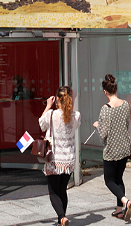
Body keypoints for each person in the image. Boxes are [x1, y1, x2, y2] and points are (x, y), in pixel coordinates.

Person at [93, 74, 131, 221]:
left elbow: (103, 134)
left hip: (111, 150)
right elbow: (126, 125)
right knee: (119, 178)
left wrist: (97, 125)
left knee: (109, 180)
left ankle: (125, 201)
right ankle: (119, 210)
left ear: (105, 91)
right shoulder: (126, 104)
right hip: (124, 147)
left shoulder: (105, 109)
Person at [39, 86, 80, 226]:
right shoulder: (76, 116)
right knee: (62, 190)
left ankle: (62, 217)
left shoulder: (51, 114)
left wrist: (48, 106)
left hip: (55, 160)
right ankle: (60, 221)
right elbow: (74, 127)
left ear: (57, 99)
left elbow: (41, 124)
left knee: (53, 191)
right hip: (69, 160)